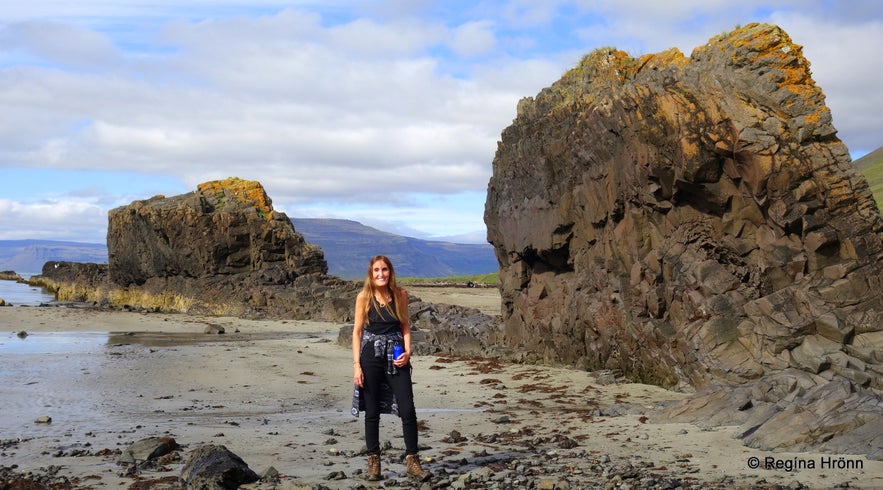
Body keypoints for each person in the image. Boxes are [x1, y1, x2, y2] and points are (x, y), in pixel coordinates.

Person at [351, 255, 430, 481]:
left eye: (384, 270)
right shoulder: (364, 297)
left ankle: (413, 461)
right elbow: (356, 332)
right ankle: (374, 463)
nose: (380, 274)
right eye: (376, 270)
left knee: (407, 409)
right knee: (372, 412)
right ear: (370, 273)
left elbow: (405, 326)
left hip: (396, 356)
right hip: (370, 357)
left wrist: (408, 352)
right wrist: (357, 366)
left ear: (390, 272)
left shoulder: (400, 295)